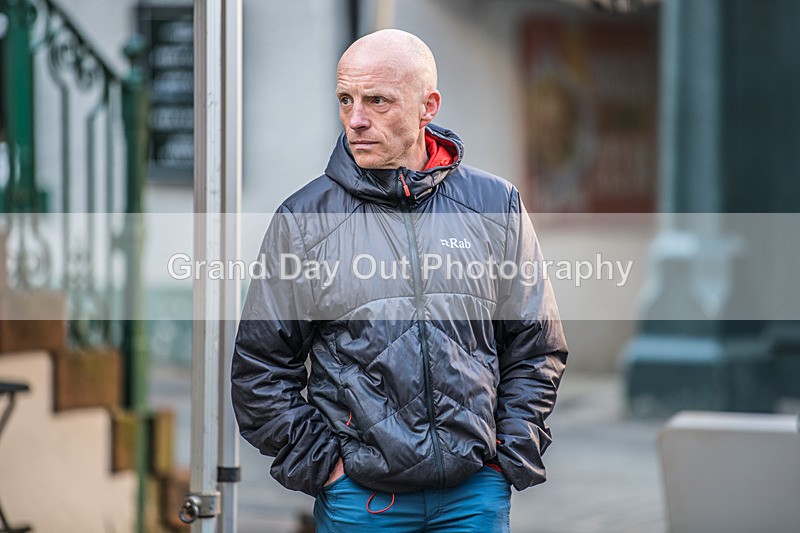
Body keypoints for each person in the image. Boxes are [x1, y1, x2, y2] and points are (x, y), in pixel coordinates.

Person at [232, 29, 567, 532]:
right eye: (345, 100)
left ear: (427, 105)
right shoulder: (303, 220)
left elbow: (536, 346)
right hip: (361, 502)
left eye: (377, 101)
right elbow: (259, 368)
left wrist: (507, 452)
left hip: (473, 496)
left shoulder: (495, 205)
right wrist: (327, 468)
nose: (356, 119)